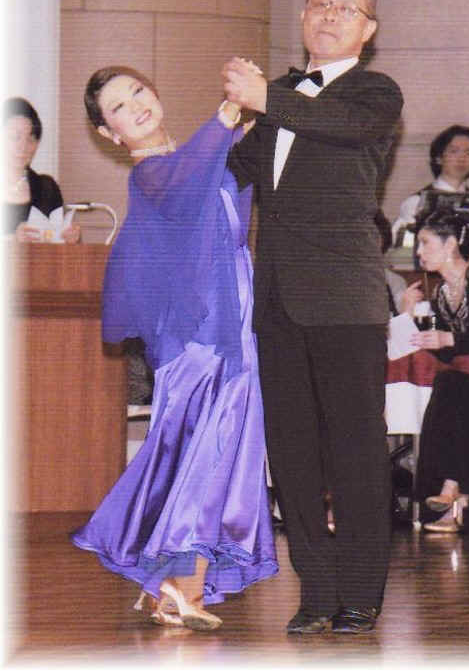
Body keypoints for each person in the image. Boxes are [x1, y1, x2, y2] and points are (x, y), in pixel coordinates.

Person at [222, 0, 404, 634]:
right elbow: (228, 174)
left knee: (356, 451)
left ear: (368, 29)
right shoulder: (280, 100)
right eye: (320, 3)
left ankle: (360, 591)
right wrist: (179, 149)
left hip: (345, 301)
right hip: (276, 301)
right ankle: (317, 590)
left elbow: (340, 127)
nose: (329, 14)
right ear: (301, 16)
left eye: (346, 8)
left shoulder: (373, 93)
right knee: (292, 454)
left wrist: (264, 98)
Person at [71, 66, 278, 631]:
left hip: (231, 314)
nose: (135, 106)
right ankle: (181, 583)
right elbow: (185, 183)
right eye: (118, 107)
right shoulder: (152, 174)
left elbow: (231, 189)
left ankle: (168, 582)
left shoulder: (198, 156)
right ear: (109, 133)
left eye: (137, 91)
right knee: (211, 447)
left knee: (202, 449)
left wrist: (262, 110)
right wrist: (227, 115)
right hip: (198, 332)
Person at [409, 210, 469, 533]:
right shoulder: (441, 293)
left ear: (449, 246)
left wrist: (450, 339)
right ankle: (451, 492)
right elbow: (448, 350)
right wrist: (411, 318)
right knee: (449, 386)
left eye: (425, 243)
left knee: (451, 388)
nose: (419, 252)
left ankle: (449, 493)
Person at [3, 97, 81, 243]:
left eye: (31, 138)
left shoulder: (46, 187)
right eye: (15, 137)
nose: (24, 146)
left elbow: (55, 242)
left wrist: (70, 239)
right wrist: (11, 240)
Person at [391, 125, 469, 245]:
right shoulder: (417, 202)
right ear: (439, 158)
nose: (462, 158)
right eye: (454, 151)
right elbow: (404, 246)